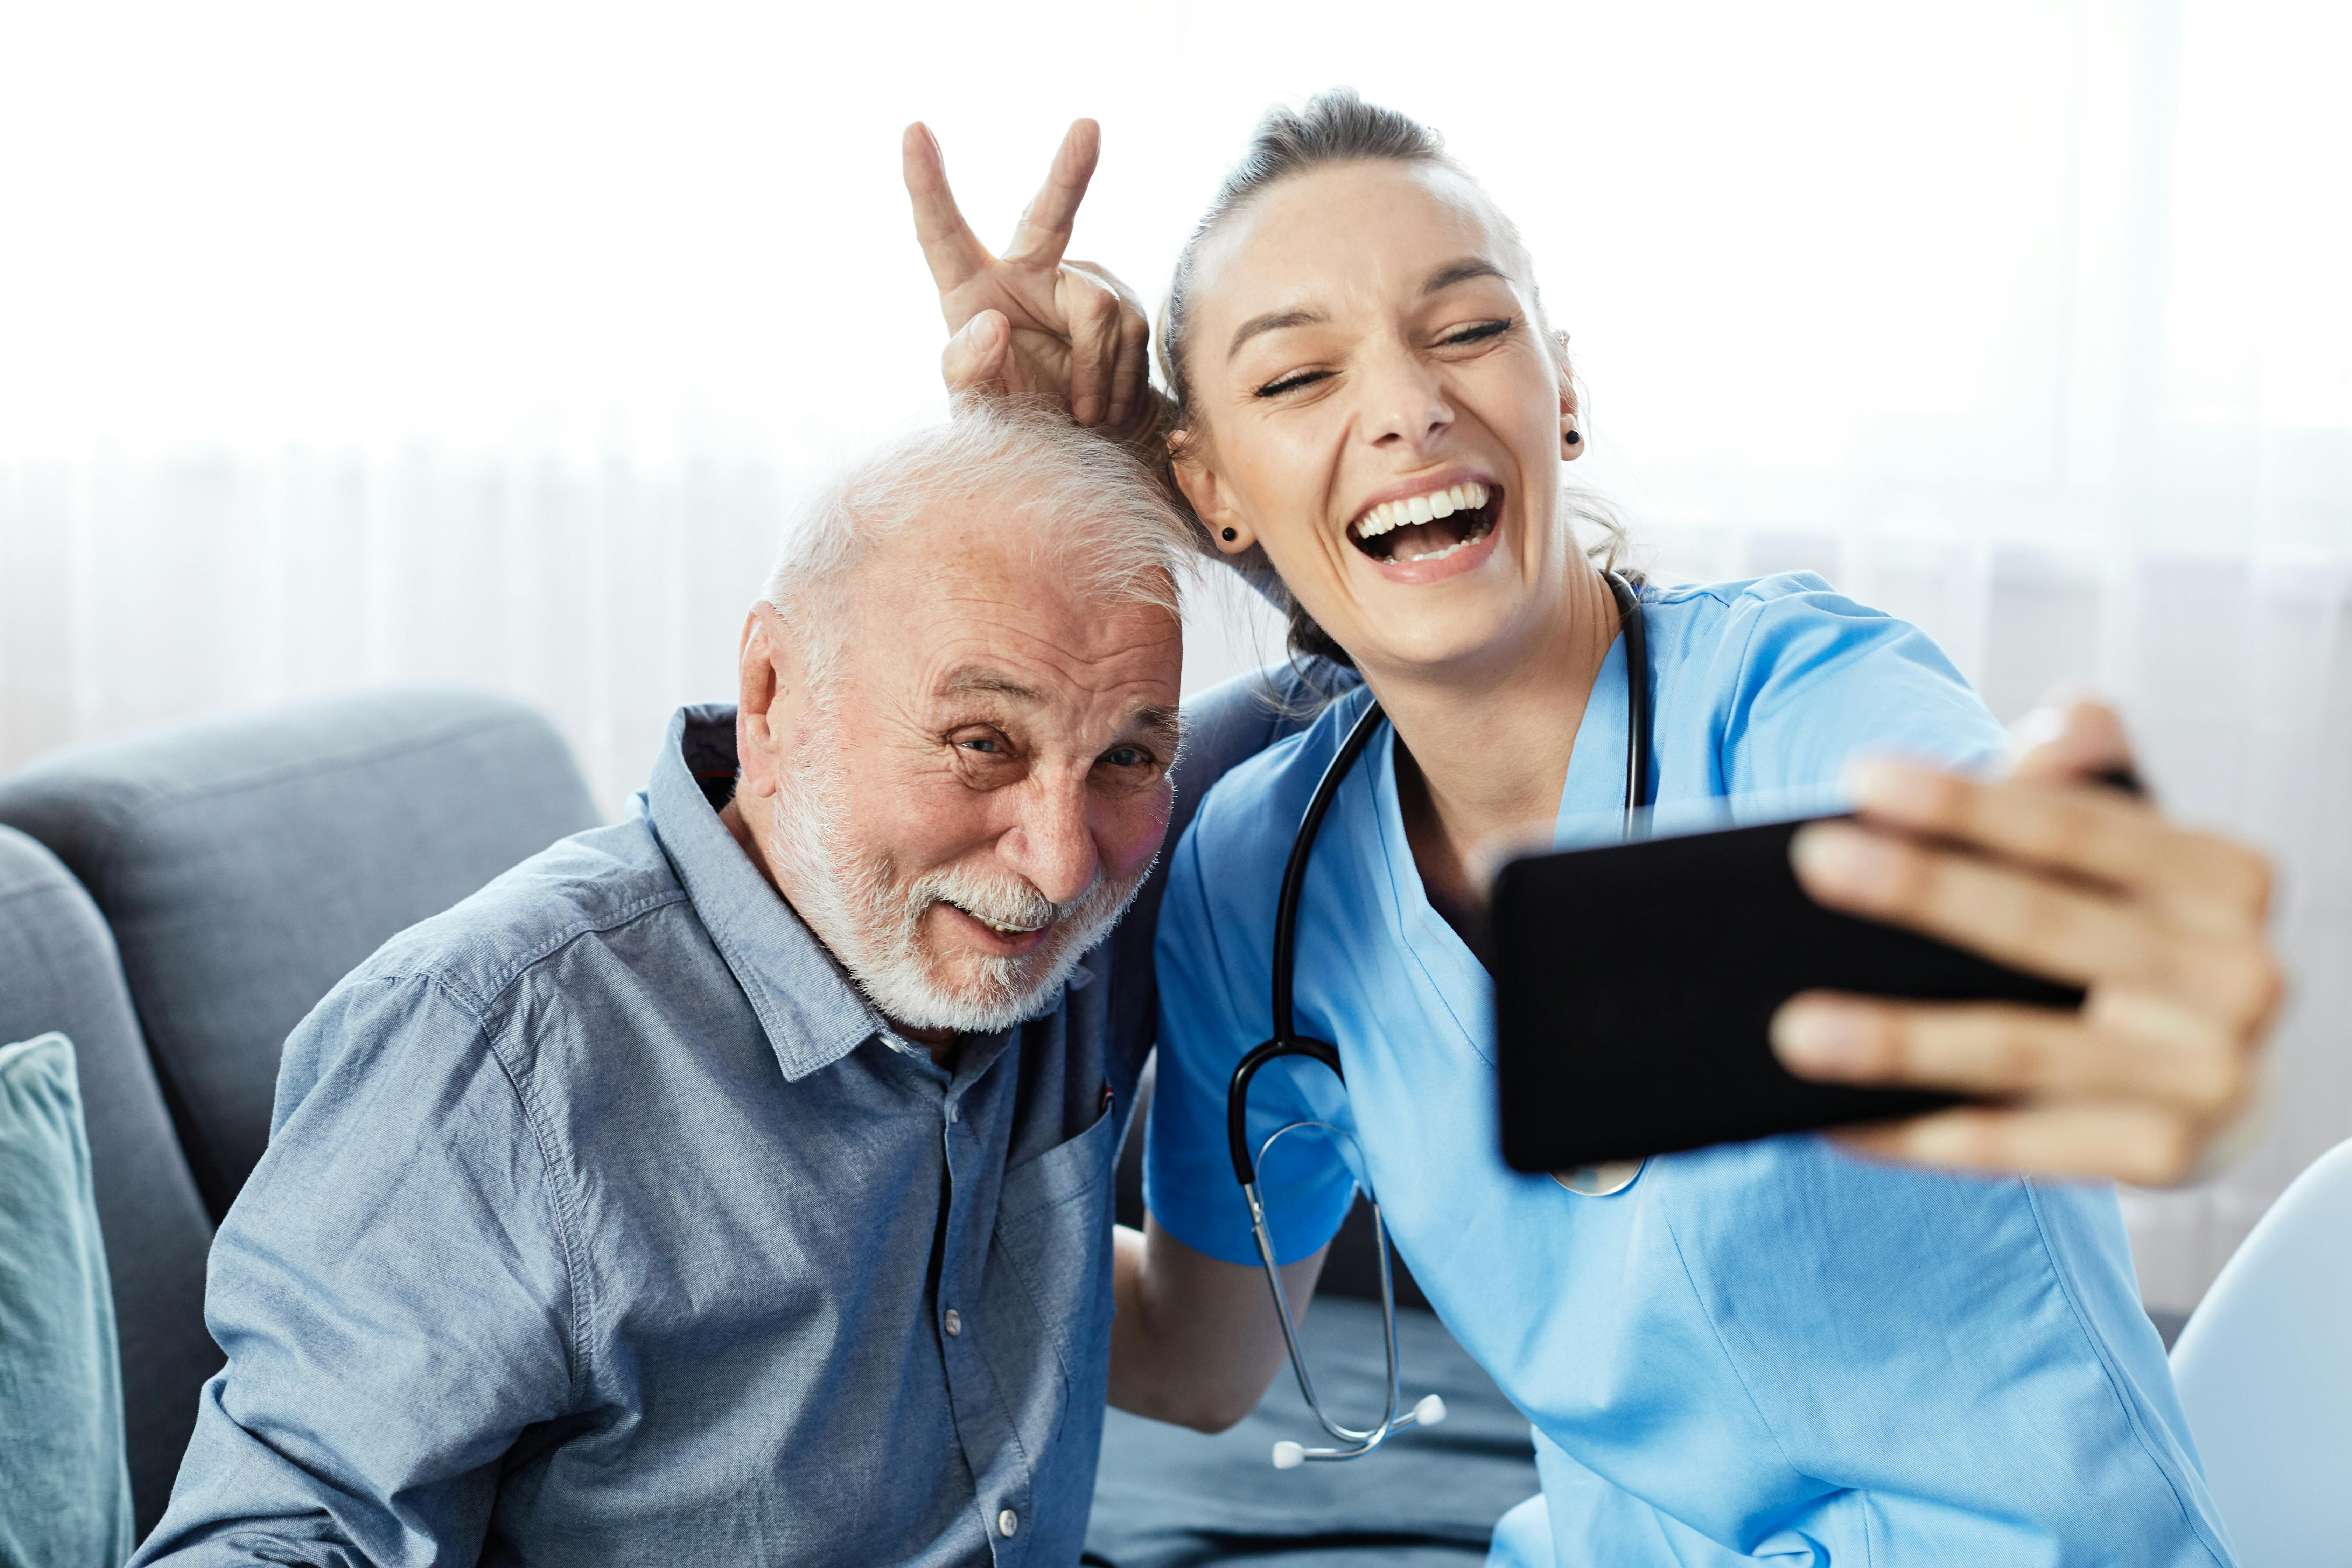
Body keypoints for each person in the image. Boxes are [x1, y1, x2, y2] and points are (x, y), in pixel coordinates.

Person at [905, 95, 2281, 1564]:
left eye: (1468, 330)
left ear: (1560, 388)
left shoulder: (1800, 701)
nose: (1406, 406)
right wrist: (858, 1225)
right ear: (1210, 495)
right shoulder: (1263, 872)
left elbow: (2068, 952)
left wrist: (2127, 979)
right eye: (1303, 374)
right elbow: (1201, 1354)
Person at [131, 405, 1197, 1566]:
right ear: (775, 692)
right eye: (983, 743)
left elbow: (1369, 669)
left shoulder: (1085, 922)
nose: (1060, 862)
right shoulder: (484, 1050)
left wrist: (1135, 430)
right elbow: (274, 1540)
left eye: (1128, 759)